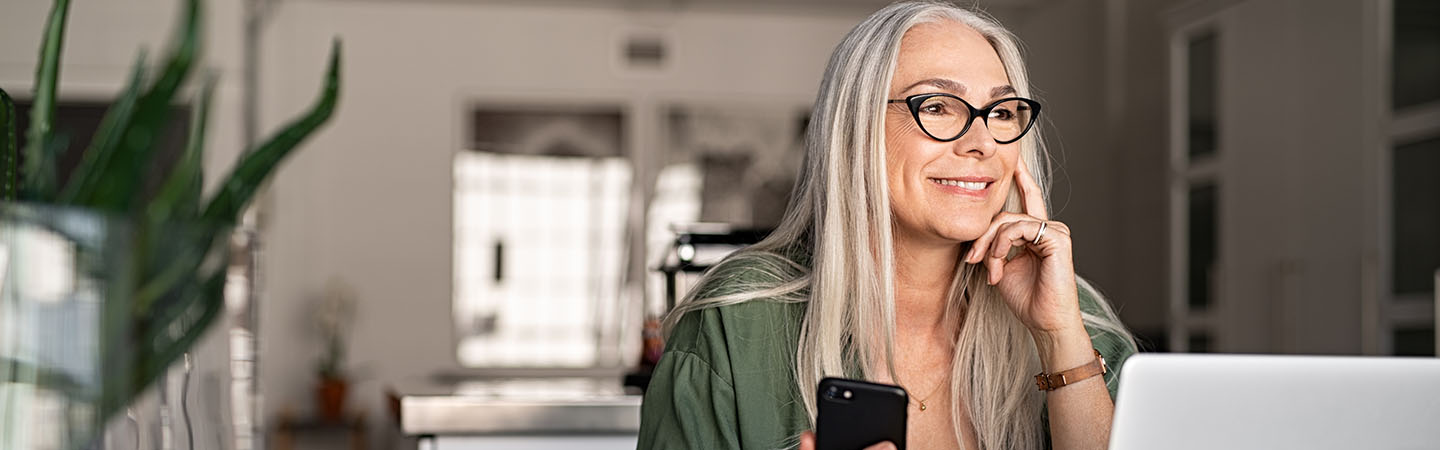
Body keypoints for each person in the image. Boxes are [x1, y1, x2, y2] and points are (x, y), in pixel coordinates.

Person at [637, 2, 1137, 449]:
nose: (982, 143)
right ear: (855, 131)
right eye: (938, 106)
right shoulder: (737, 321)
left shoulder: (1073, 317)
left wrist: (1057, 338)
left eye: (1002, 112)